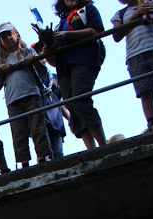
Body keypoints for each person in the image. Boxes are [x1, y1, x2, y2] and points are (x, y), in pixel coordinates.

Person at [44, 0, 108, 149]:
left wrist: (68, 35)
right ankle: (91, 149)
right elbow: (54, 61)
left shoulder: (87, 10)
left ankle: (104, 146)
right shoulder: (60, 24)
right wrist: (48, 50)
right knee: (72, 106)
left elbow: (97, 31)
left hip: (84, 60)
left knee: (81, 100)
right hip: (64, 68)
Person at [111, 0, 153, 132]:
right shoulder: (120, 14)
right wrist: (136, 15)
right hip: (135, 55)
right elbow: (116, 36)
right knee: (145, 92)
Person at [0, 22, 52, 168]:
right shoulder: (1, 60)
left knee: (38, 127)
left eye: (9, 34)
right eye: (3, 37)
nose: (7, 38)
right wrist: (1, 71)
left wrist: (33, 61)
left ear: (16, 34)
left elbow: (43, 72)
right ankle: (23, 162)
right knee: (18, 132)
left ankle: (43, 157)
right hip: (13, 100)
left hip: (31, 94)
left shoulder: (28, 51)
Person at [32, 41, 71, 159]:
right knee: (43, 153)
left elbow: (59, 100)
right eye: (37, 52)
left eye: (42, 50)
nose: (41, 53)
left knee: (58, 153)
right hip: (40, 119)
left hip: (56, 121)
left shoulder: (54, 77)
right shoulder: (30, 76)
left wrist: (69, 117)